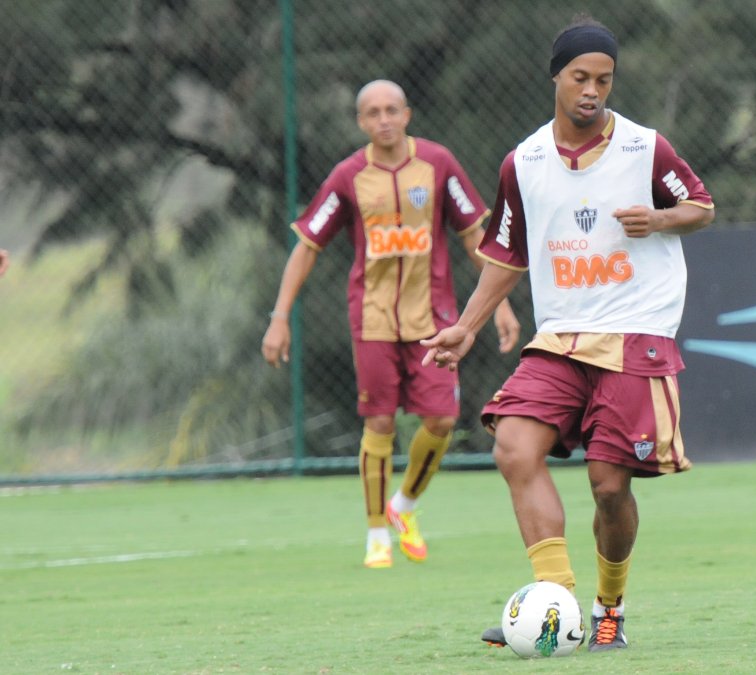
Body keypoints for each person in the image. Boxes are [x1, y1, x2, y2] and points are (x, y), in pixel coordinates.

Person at [419, 15, 714, 652]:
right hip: (561, 339)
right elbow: (506, 257)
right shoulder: (522, 162)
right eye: (580, 77)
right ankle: (556, 606)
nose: (592, 90)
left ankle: (609, 611)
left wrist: (660, 219)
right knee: (514, 449)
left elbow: (702, 206)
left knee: (609, 486)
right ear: (556, 76)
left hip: (636, 335)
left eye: (604, 79)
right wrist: (466, 328)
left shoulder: (644, 148)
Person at [261, 79, 521, 569]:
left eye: (391, 110)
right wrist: (279, 318)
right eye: (373, 112)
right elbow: (307, 246)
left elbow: (475, 238)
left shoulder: (439, 165)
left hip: (435, 319)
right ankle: (376, 532)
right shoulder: (348, 176)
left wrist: (500, 306)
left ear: (408, 114)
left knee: (442, 420)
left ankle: (404, 507)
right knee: (378, 423)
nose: (383, 119)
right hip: (374, 319)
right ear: (361, 122)